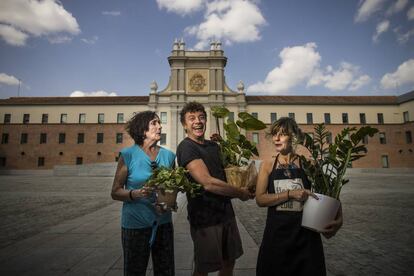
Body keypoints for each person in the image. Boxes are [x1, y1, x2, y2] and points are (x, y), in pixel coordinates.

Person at [255, 117, 343, 276]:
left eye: (282, 134)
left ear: (293, 137)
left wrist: (339, 218)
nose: (276, 138)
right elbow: (260, 199)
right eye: (275, 134)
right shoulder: (267, 165)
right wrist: (290, 194)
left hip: (306, 239)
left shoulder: (308, 164)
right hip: (276, 236)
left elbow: (329, 192)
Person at [176, 101, 254, 276]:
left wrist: (247, 182)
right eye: (192, 118)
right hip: (205, 218)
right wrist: (240, 193)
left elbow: (226, 174)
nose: (198, 121)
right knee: (204, 268)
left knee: (229, 262)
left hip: (226, 213)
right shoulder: (186, 147)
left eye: (201, 117)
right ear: (184, 124)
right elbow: (208, 182)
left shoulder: (214, 146)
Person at [111, 111, 176, 276]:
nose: (160, 126)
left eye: (159, 123)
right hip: (135, 226)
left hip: (163, 224)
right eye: (154, 123)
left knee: (166, 271)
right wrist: (136, 194)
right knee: (134, 271)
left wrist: (169, 202)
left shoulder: (169, 156)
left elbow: (172, 188)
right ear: (142, 130)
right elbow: (116, 191)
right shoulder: (128, 155)